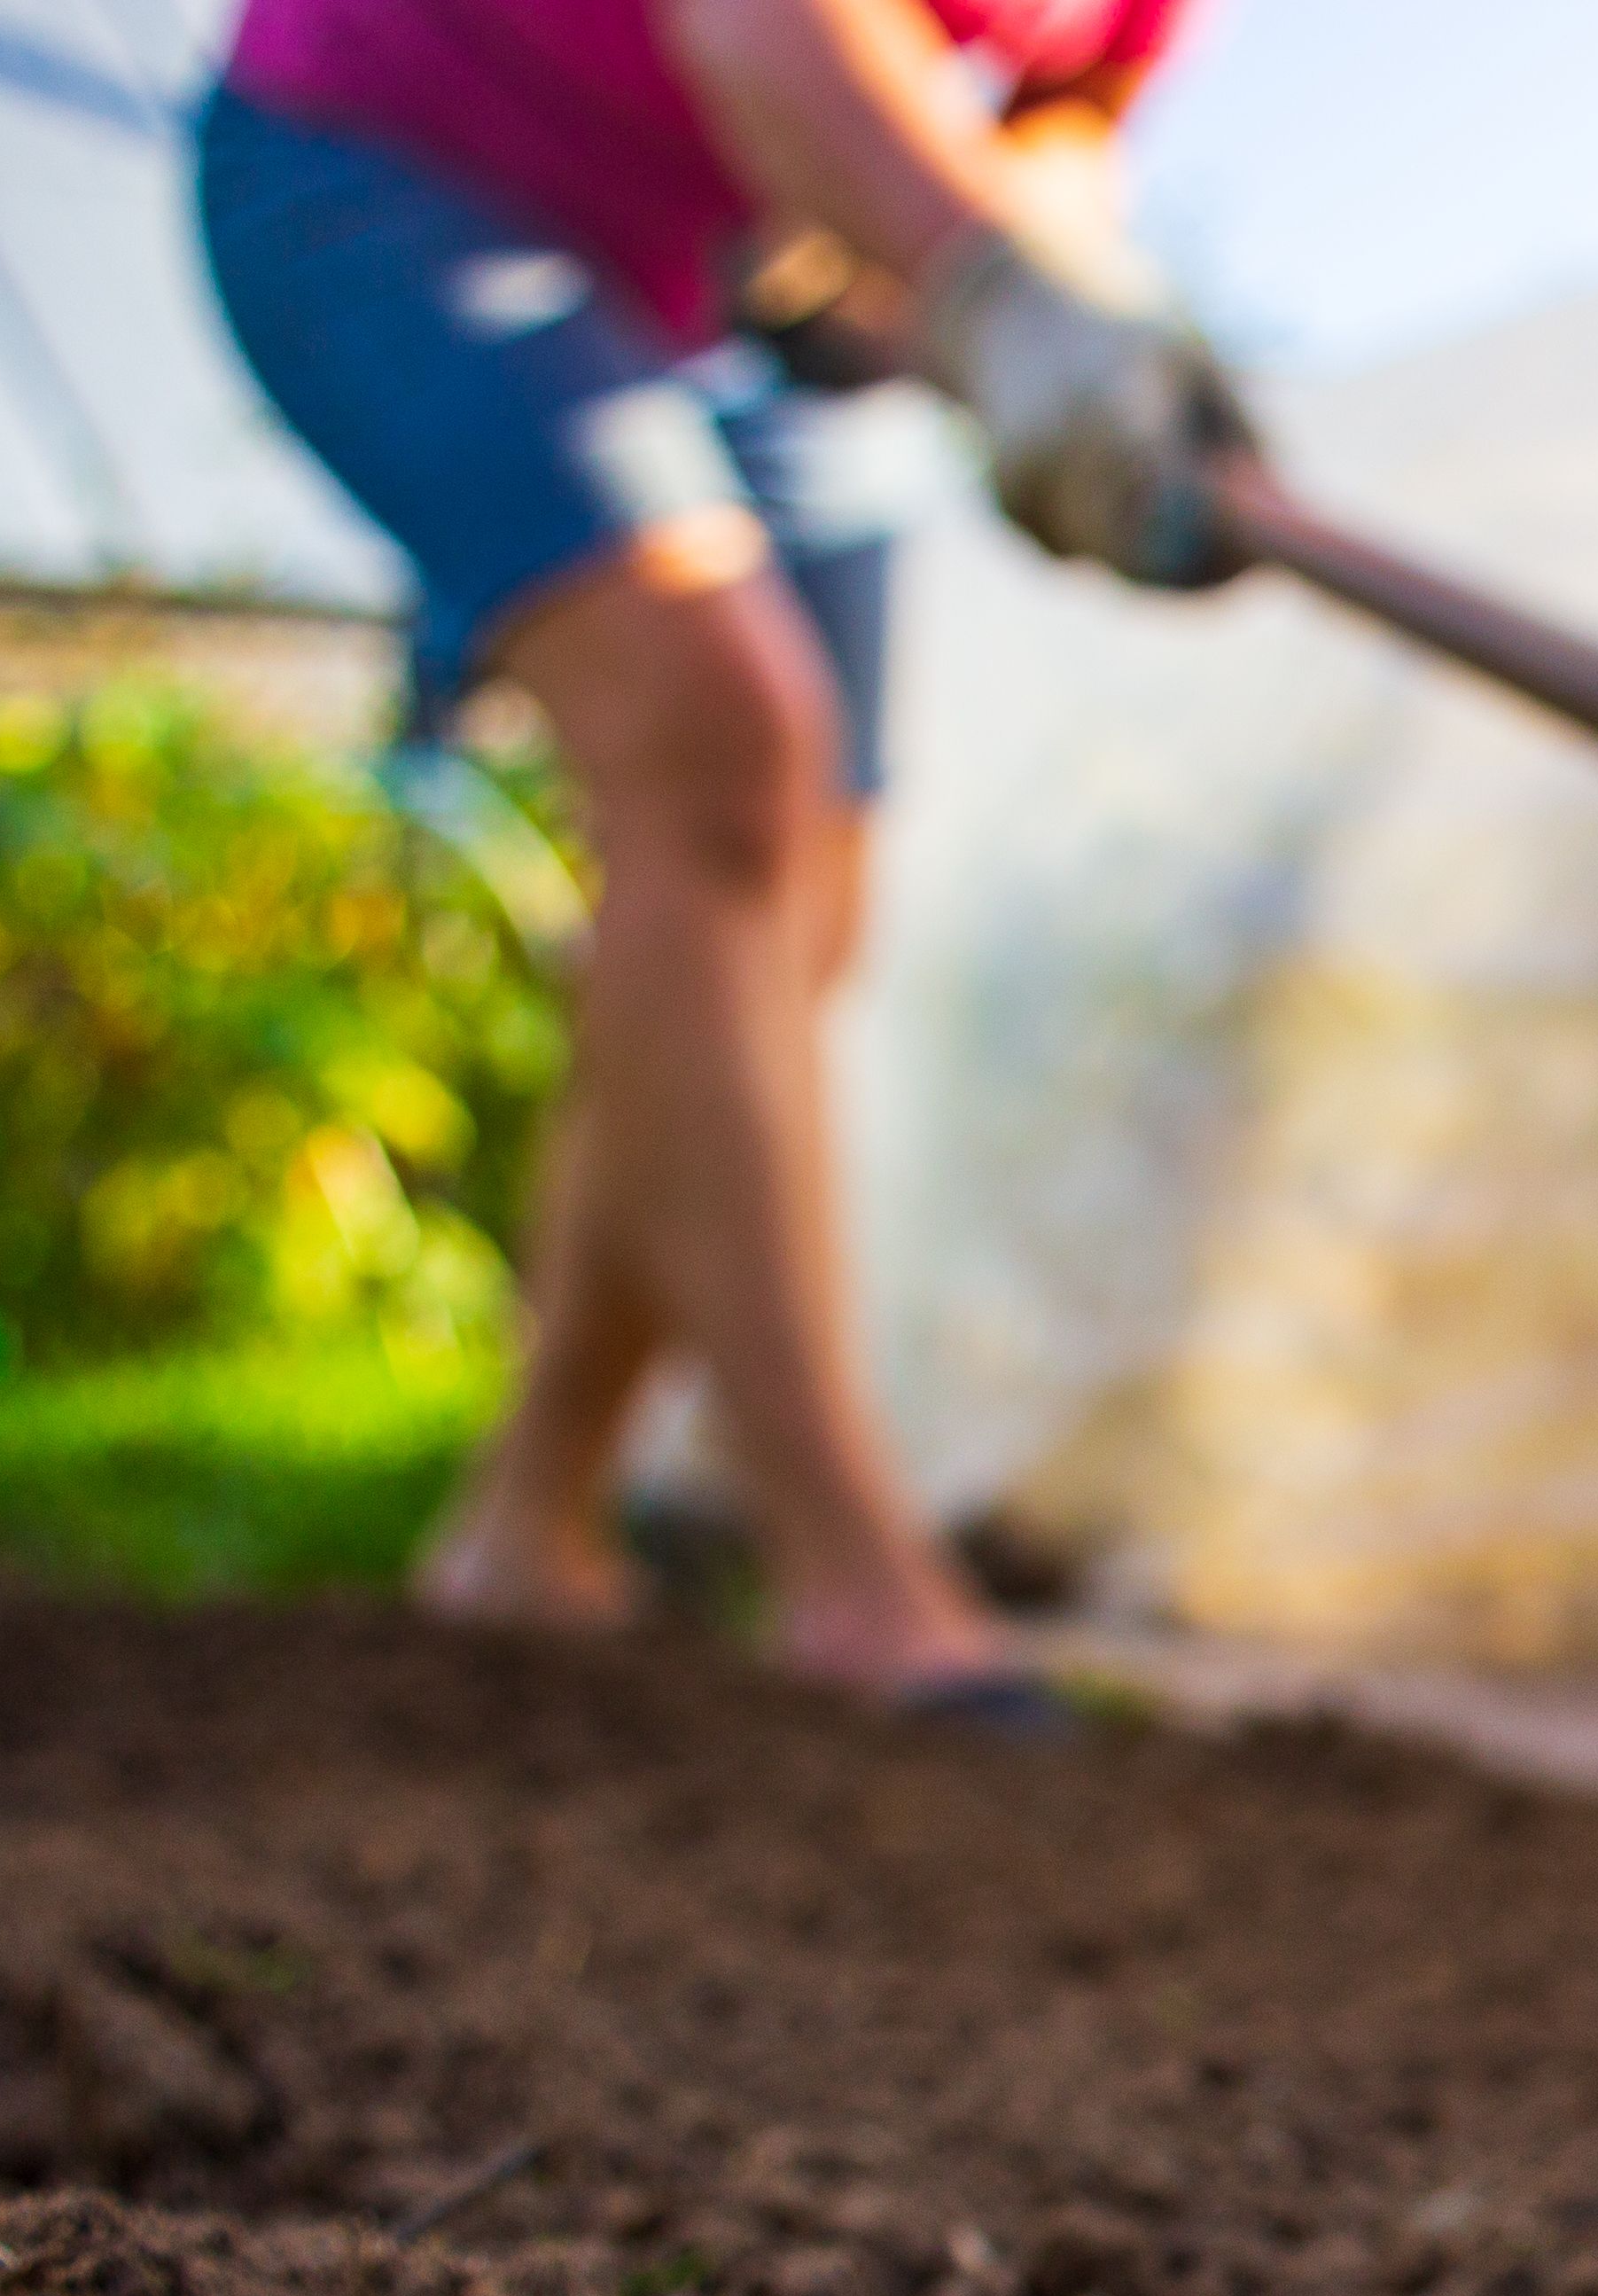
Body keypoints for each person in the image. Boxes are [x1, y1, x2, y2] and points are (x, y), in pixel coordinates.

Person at [194, 0, 1253, 1703]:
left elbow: (1066, 109)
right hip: (397, 162)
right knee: (721, 755)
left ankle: (528, 1527)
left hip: (735, 278)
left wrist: (1078, 343)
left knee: (793, 911)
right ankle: (849, 1566)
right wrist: (985, 287)